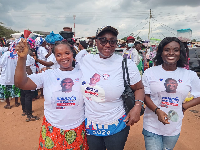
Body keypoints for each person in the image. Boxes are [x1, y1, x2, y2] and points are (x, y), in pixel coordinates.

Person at [76, 26, 144, 150]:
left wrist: (137, 107)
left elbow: (139, 88)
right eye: (103, 40)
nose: (108, 44)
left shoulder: (126, 64)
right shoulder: (85, 61)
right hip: (91, 124)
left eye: (112, 41)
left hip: (116, 124)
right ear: (96, 42)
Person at [14, 39, 88, 149]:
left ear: (73, 54)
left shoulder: (83, 73)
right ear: (55, 57)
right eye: (59, 55)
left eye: (67, 53)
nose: (63, 57)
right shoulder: (48, 75)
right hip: (52, 129)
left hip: (77, 128)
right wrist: (22, 59)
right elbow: (21, 83)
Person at [142, 37, 200, 150]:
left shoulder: (190, 75)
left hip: (174, 126)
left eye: (176, 50)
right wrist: (157, 110)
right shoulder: (150, 72)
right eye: (167, 49)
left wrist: (184, 106)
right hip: (152, 125)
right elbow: (145, 95)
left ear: (180, 53)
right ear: (161, 53)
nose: (171, 53)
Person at [0, 39, 20, 109]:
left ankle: (8, 104)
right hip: (15, 76)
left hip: (6, 76)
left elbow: (1, 64)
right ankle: (16, 102)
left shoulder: (5, 54)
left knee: (6, 91)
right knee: (16, 89)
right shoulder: (17, 55)